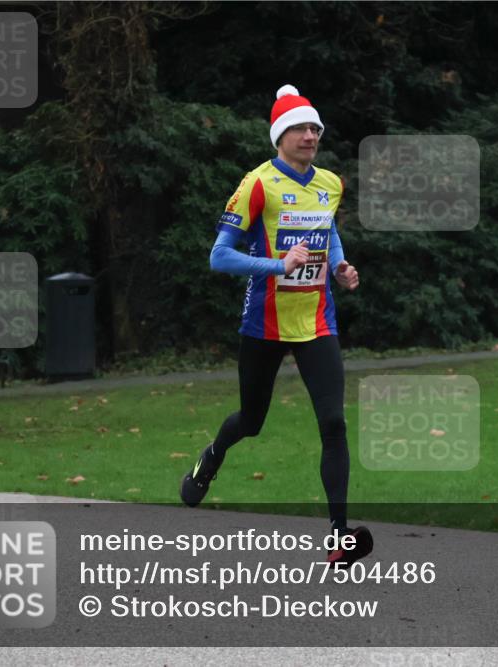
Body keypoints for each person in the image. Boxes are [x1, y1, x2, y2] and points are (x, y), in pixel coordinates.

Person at [180, 85, 372, 568]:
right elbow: (219, 256)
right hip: (263, 324)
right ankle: (212, 456)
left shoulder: (329, 183)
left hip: (316, 321)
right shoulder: (257, 185)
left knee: (333, 423)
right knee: (251, 422)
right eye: (300, 129)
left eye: (315, 129)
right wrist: (277, 265)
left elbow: (326, 229)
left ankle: (339, 537)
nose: (310, 136)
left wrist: (340, 266)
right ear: (279, 136)